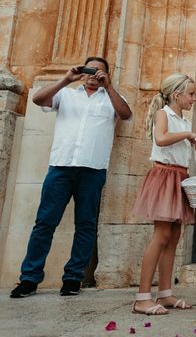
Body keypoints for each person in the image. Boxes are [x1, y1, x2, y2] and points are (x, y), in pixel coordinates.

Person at [10, 58, 132, 298]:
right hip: (61, 167)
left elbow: (126, 115)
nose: (92, 75)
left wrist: (108, 86)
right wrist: (66, 78)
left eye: (98, 71)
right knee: (44, 223)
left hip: (93, 170)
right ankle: (29, 278)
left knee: (85, 225)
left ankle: (73, 278)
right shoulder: (66, 95)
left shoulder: (111, 97)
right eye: (89, 70)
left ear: (106, 74)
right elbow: (37, 100)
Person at [131, 74, 196, 315]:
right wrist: (187, 135)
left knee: (174, 237)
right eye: (190, 94)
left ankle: (165, 293)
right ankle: (142, 297)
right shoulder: (163, 114)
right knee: (161, 235)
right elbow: (161, 138)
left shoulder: (185, 122)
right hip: (164, 177)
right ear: (176, 95)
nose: (193, 98)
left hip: (180, 178)